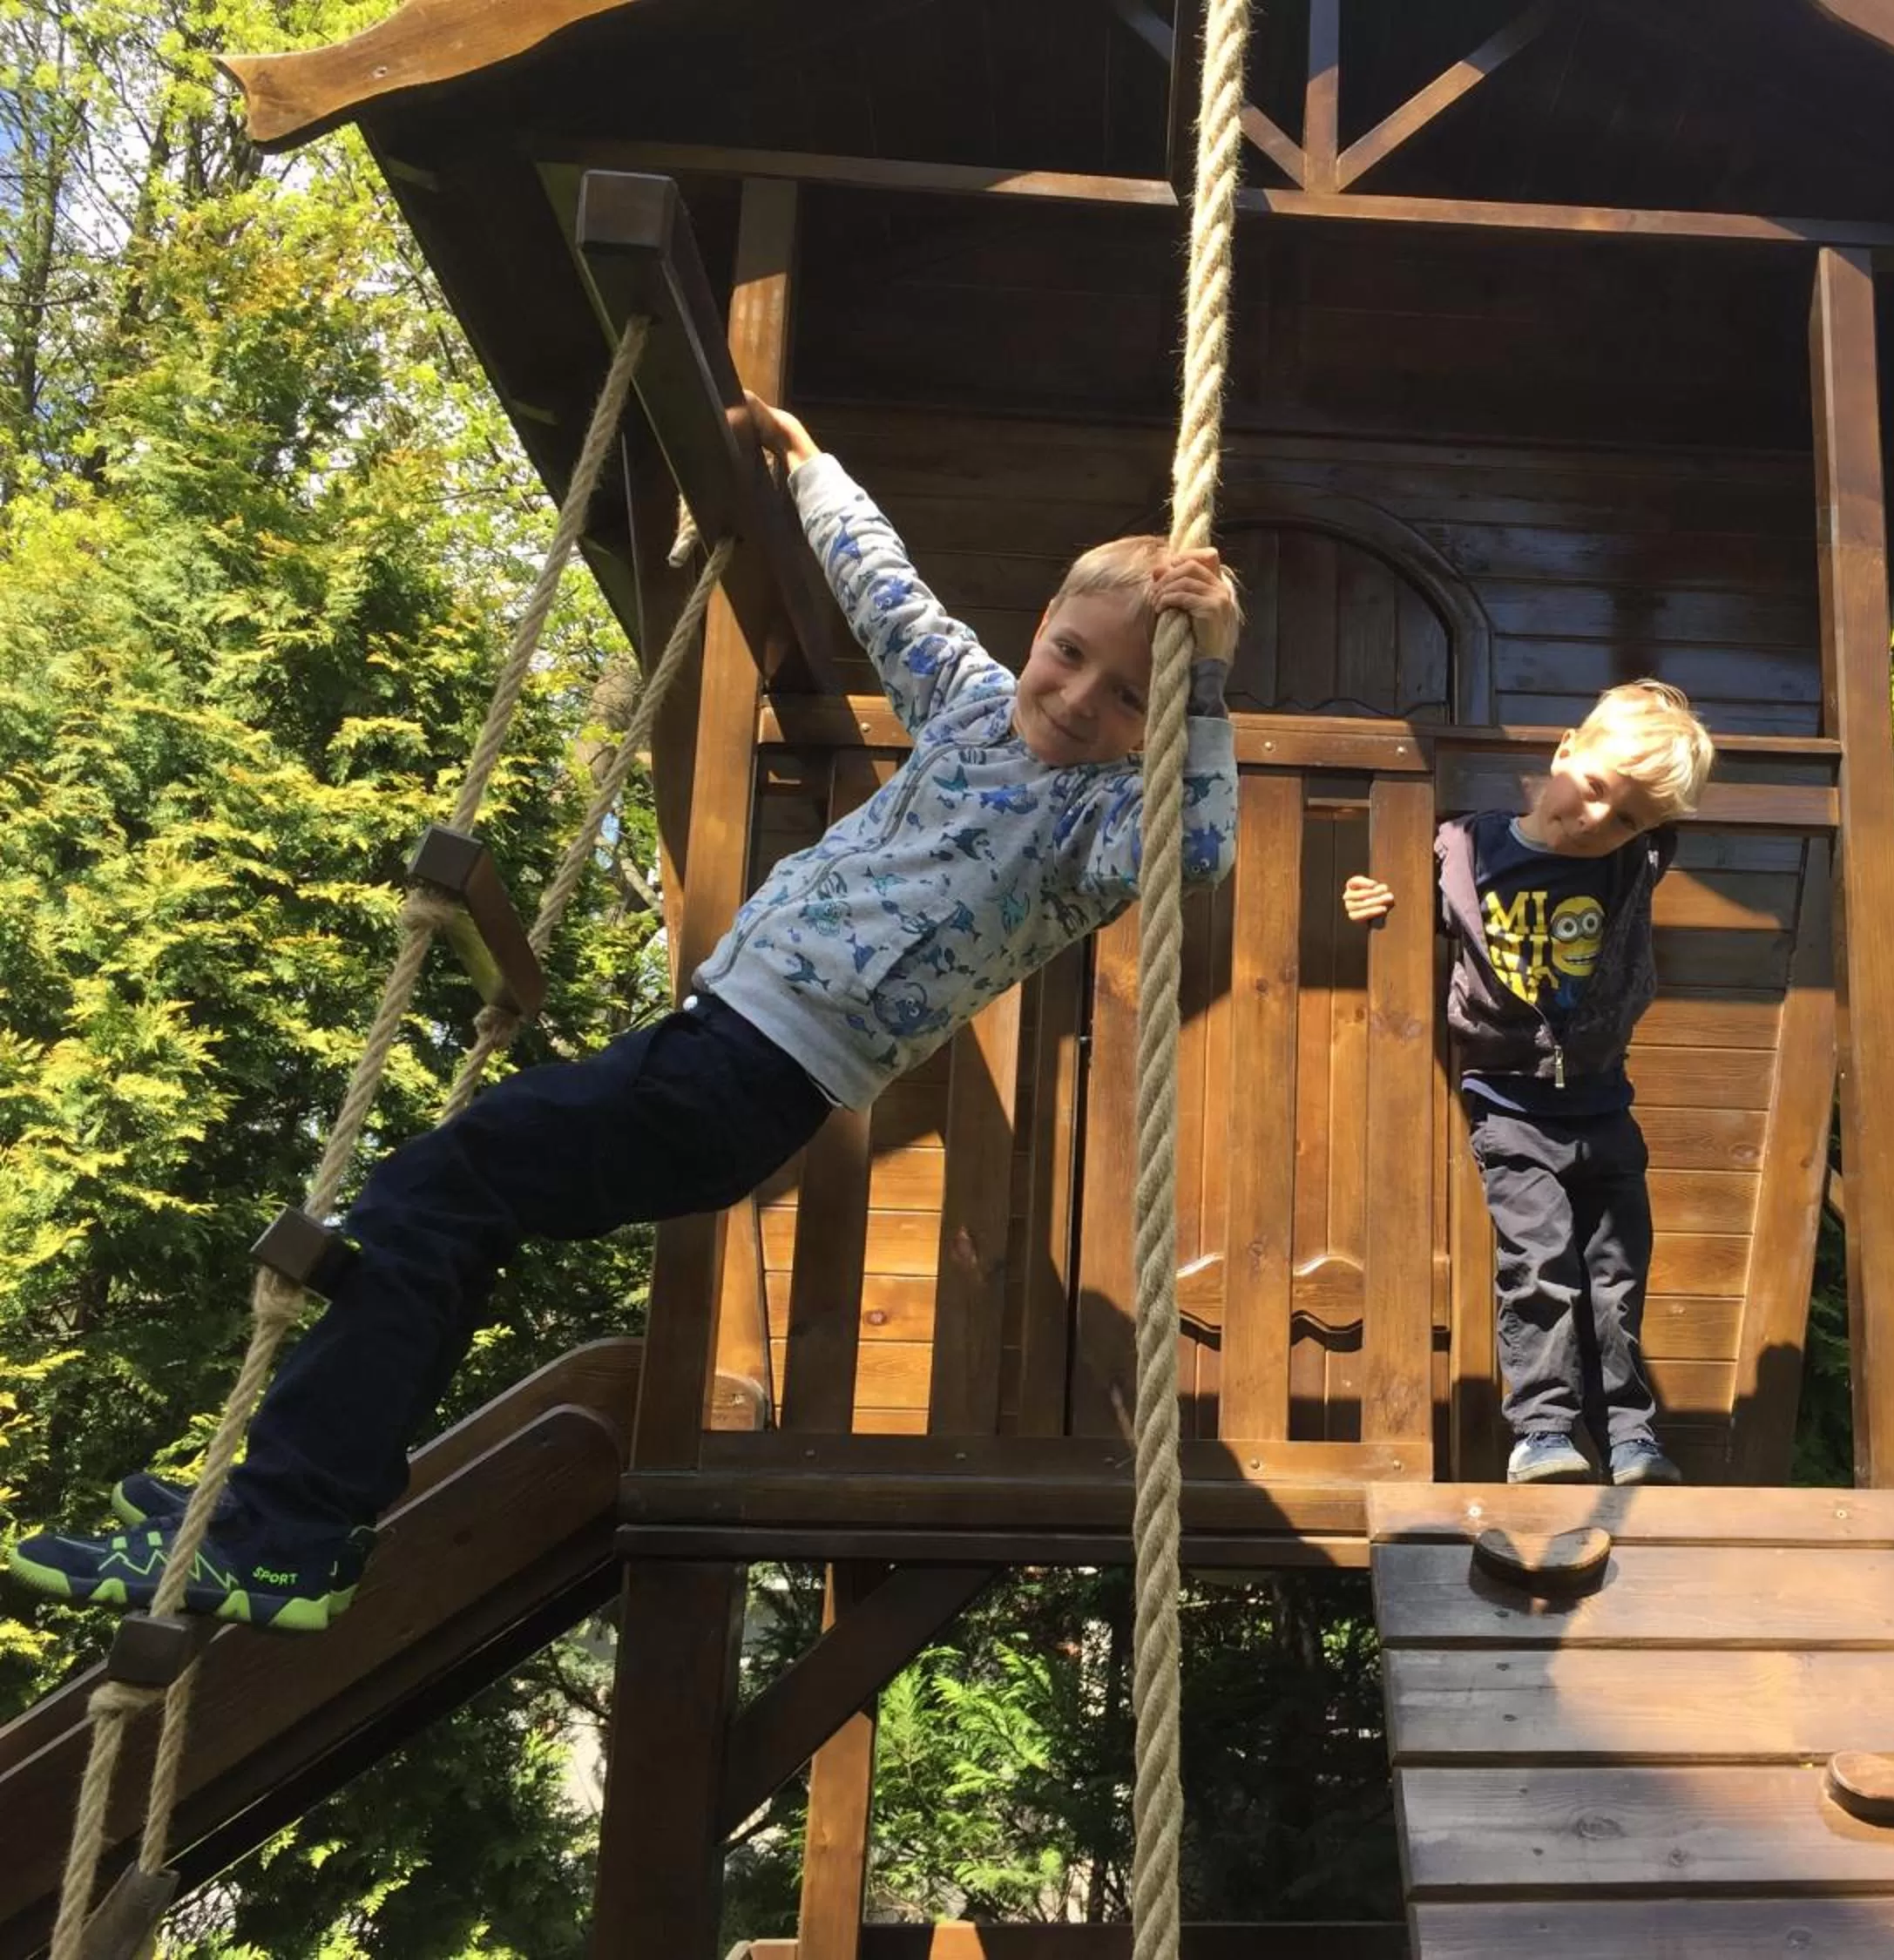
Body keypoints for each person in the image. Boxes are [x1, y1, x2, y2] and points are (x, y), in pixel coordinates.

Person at [7, 400, 1241, 1630]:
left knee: (437, 1191)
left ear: (1158, 728)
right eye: (1072, 652)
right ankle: (294, 1511)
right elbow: (889, 593)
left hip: (753, 1079)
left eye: (1132, 697)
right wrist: (812, 467)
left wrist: (1214, 685)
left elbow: (1199, 843)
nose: (1080, 699)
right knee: (444, 1201)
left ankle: (287, 1525)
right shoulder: (973, 705)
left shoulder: (1097, 826)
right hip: (707, 1047)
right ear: (1041, 627)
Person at [1342, 680, 1713, 1485]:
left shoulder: (1634, 863)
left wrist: (1654, 769)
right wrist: (1372, 894)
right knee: (1539, 1261)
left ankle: (1632, 1437)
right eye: (1594, 790)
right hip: (1509, 1102)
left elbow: (1660, 809)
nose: (1595, 822)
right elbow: (1400, 891)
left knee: (1616, 1272)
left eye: (1626, 819)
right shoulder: (1464, 851)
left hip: (1604, 1100)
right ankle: (1542, 1429)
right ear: (1565, 751)